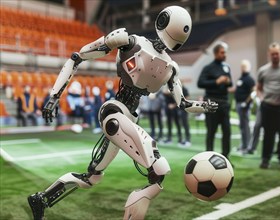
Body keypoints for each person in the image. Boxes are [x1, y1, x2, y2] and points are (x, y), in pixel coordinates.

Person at [28, 6, 218, 220]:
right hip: (114, 112)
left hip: (129, 118)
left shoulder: (170, 67)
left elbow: (182, 103)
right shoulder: (130, 41)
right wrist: (54, 96)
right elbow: (77, 57)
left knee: (92, 178)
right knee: (158, 168)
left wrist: (204, 106)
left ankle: (40, 199)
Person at [198, 43, 233, 158]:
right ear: (216, 53)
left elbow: (231, 83)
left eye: (225, 53)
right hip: (211, 103)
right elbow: (200, 83)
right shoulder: (208, 68)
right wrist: (216, 82)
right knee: (211, 132)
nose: (225, 55)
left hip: (224, 103)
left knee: (227, 132)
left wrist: (227, 82)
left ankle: (226, 157)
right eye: (222, 52)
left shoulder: (226, 67)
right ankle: (208, 157)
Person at [257, 42, 280, 169]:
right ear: (269, 55)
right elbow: (259, 88)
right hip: (267, 107)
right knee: (268, 135)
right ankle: (265, 160)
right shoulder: (263, 70)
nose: (275, 56)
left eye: (277, 54)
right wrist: (261, 98)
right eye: (273, 54)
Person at [235, 59, 255, 152]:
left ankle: (247, 146)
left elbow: (253, 92)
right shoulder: (241, 78)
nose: (243, 68)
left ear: (249, 68)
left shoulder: (249, 79)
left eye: (245, 66)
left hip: (244, 106)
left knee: (245, 126)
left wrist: (246, 103)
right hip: (239, 104)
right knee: (242, 126)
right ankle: (243, 145)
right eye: (242, 66)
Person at [246, 90, 262, 154]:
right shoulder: (257, 91)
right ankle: (252, 147)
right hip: (261, 108)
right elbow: (252, 96)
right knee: (257, 127)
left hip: (271, 107)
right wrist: (246, 103)